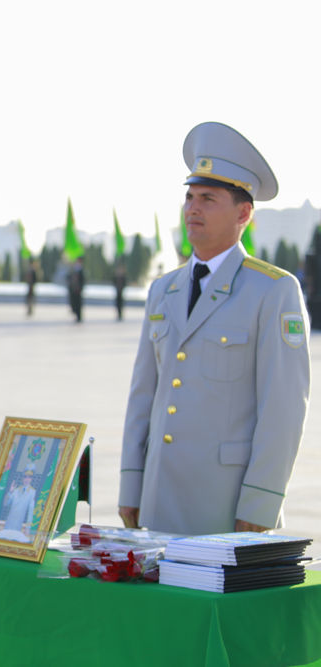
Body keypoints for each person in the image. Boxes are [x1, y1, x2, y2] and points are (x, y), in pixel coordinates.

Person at [119, 122, 310, 536]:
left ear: (243, 213)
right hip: (157, 500)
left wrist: (260, 504)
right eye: (189, 197)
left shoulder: (272, 291)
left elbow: (283, 411)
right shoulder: (162, 290)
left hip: (226, 507)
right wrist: (131, 484)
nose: (193, 208)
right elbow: (142, 397)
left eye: (208, 198)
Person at [67, 256, 84, 322]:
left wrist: (80, 288)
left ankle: (79, 316)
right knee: (74, 303)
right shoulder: (73, 269)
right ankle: (76, 314)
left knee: (78, 304)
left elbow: (82, 280)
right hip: (73, 289)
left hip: (78, 290)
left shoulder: (80, 270)